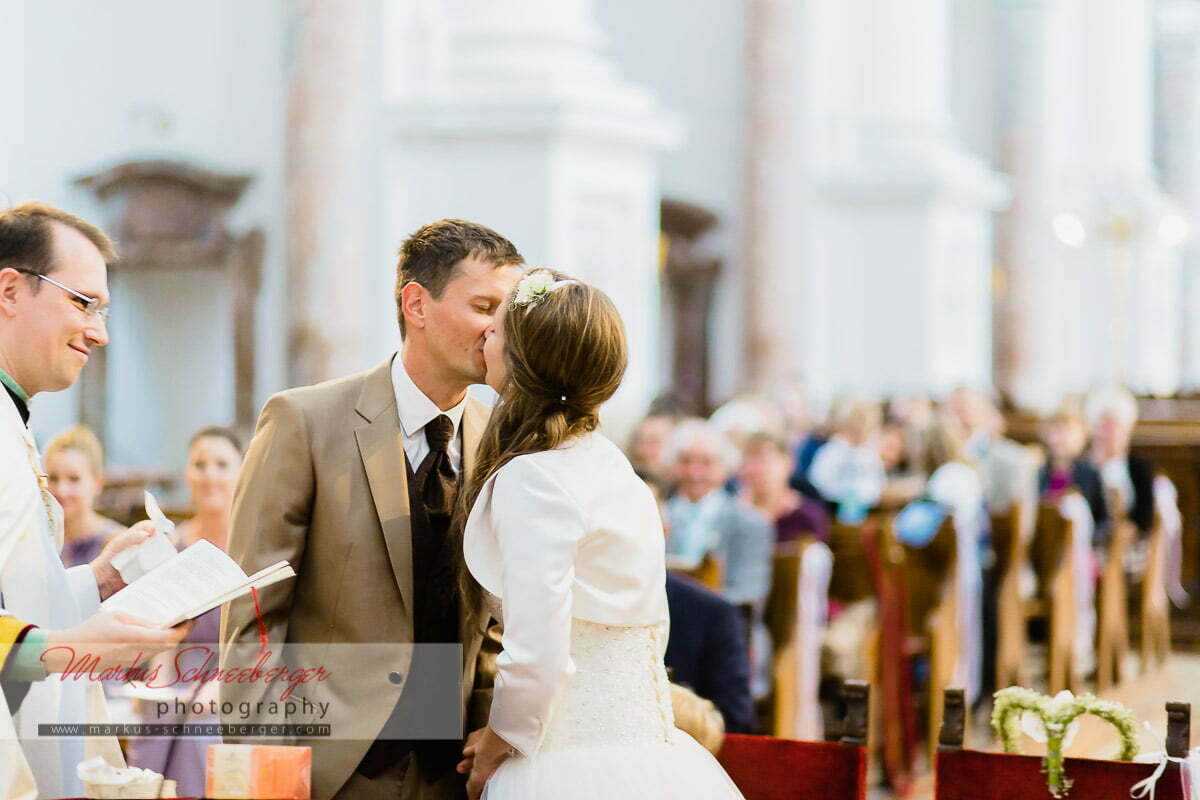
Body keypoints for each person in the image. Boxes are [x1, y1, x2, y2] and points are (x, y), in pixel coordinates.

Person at [221, 219, 522, 800]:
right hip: (333, 768)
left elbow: (494, 615)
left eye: (506, 313)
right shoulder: (304, 422)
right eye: (484, 306)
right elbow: (255, 615)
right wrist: (268, 768)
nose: (498, 331)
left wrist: (489, 728)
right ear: (417, 304)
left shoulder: (501, 439)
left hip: (456, 772)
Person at [458, 269, 743, 799]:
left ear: (526, 361)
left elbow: (538, 651)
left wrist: (497, 744)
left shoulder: (535, 476)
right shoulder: (614, 468)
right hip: (649, 751)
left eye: (496, 330)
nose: (484, 339)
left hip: (566, 761)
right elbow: (652, 624)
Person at [0, 202, 190, 797]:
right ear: (9, 290)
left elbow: (14, 592)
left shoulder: (13, 419)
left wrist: (94, 582)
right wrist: (72, 648)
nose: (99, 332)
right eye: (82, 303)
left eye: (102, 310)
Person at [128, 426, 243, 796]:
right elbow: (163, 636)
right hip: (178, 675)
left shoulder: (251, 548)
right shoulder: (170, 547)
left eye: (222, 464)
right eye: (200, 464)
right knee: (154, 724)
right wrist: (159, 689)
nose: (210, 474)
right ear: (187, 473)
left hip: (238, 677)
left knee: (201, 733)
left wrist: (218, 689)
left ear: (242, 472)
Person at [44, 424, 124, 567]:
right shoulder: (39, 541)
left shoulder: (117, 544)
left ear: (97, 483)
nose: (62, 491)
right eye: (53, 478)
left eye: (74, 479)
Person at [738, 432, 829, 547]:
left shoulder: (807, 516)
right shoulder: (732, 515)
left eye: (764, 461)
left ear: (788, 462)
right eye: (749, 461)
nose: (756, 469)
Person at [1085, 385, 1154, 535]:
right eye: (1102, 425)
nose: (1108, 433)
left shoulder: (1139, 468)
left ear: (1128, 428)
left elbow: (1145, 519)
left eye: (1115, 426)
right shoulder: (1084, 467)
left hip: (1131, 546)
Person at [1038, 405, 1107, 531]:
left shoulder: (1089, 473)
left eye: (1067, 432)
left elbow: (1102, 521)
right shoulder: (1039, 472)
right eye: (1056, 431)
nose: (1060, 438)